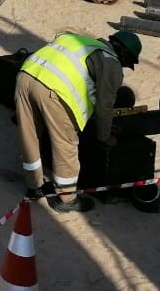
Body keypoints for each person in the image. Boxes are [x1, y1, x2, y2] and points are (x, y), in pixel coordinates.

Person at [15, 30, 142, 213]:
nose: (123, 66)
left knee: (30, 137)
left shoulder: (80, 41)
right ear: (123, 54)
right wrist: (104, 136)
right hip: (53, 92)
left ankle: (34, 187)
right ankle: (67, 199)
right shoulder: (111, 62)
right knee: (65, 145)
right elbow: (104, 106)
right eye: (125, 63)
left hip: (25, 76)